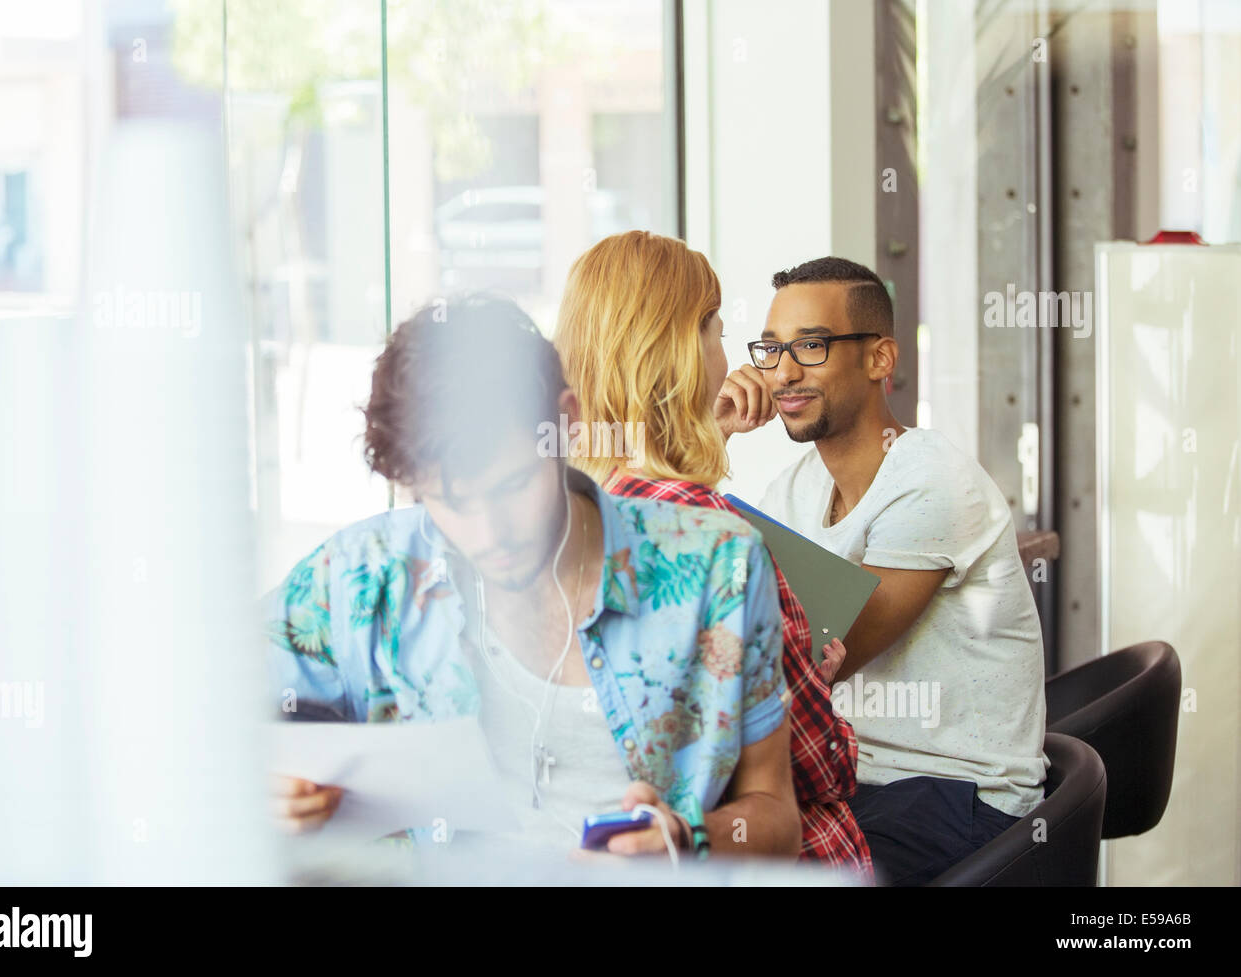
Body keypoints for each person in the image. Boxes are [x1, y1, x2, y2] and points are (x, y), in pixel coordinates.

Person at [266, 293, 801, 861]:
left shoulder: (718, 566)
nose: (488, 533)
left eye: (511, 487)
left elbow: (777, 817)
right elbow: (195, 711)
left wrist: (685, 841)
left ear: (566, 424)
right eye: (449, 503)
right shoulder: (360, 576)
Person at [718, 256, 1048, 886]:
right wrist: (712, 437)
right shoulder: (796, 489)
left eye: (811, 346)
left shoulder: (930, 477)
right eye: (771, 349)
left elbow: (825, 653)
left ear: (879, 359)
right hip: (853, 782)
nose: (783, 372)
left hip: (956, 797)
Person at [552, 230, 872, 877]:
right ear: (683, 351)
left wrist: (705, 432)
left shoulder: (561, 521)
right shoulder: (721, 541)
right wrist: (807, 675)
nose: (734, 360)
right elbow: (821, 768)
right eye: (718, 332)